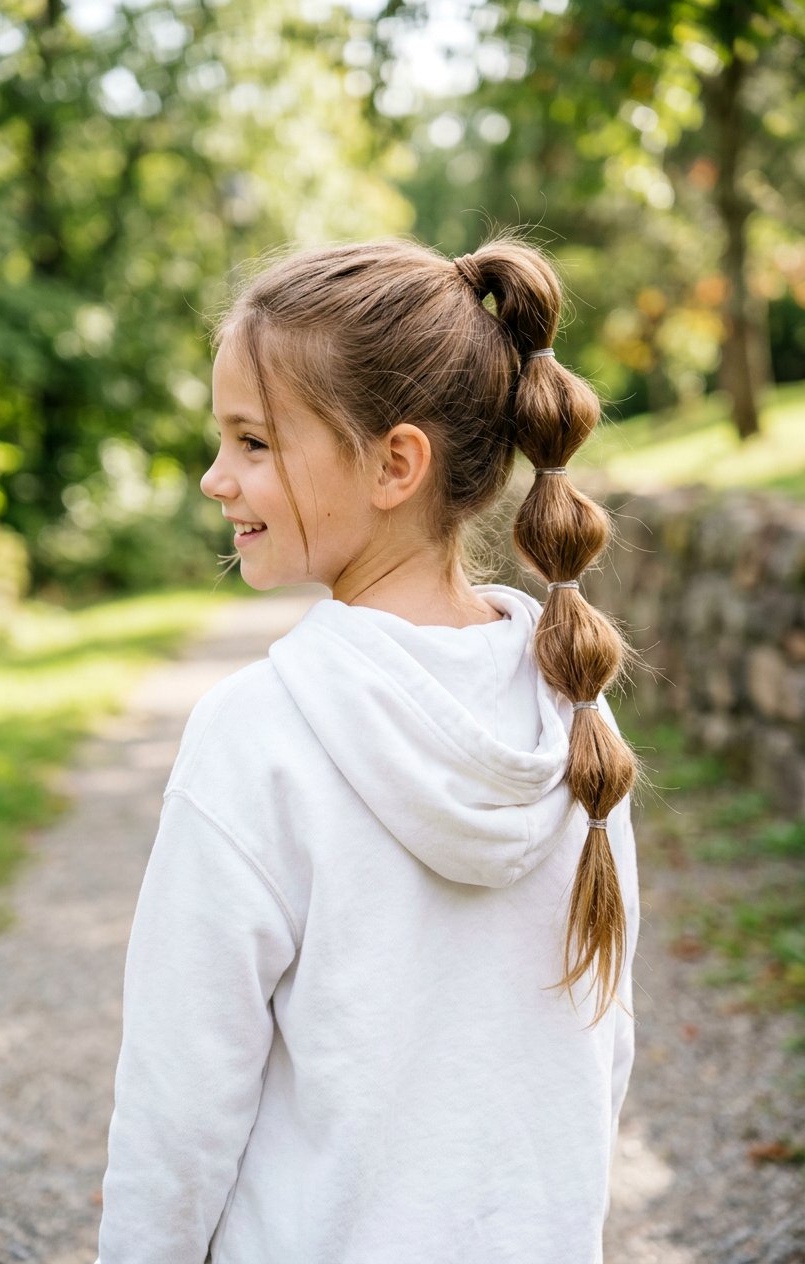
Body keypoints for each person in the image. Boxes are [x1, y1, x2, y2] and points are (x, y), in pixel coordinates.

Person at [95, 236, 641, 1264]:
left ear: (394, 463)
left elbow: (179, 1106)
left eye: (253, 442)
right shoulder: (574, 708)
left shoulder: (255, 735)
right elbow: (598, 1045)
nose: (216, 477)